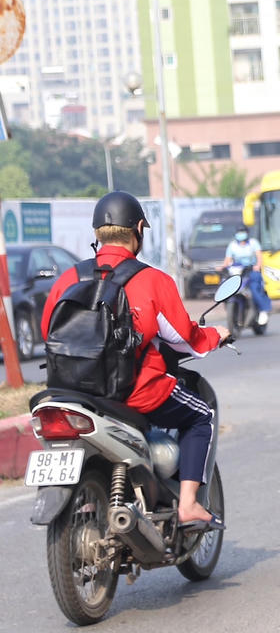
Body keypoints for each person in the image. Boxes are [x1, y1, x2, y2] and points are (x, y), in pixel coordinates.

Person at [40, 191, 230, 530]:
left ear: (97, 230)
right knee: (202, 414)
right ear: (139, 229)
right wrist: (217, 334)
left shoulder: (68, 278)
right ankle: (187, 505)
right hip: (132, 392)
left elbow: (48, 331)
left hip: (70, 392)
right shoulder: (153, 280)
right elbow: (185, 339)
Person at [222, 224, 271, 326]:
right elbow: (227, 260)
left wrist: (257, 265)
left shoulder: (253, 243)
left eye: (242, 232)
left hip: (251, 270)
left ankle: (263, 310)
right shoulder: (232, 245)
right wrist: (222, 267)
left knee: (254, 288)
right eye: (239, 232)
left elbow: (259, 256)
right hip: (238, 271)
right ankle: (233, 310)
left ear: (247, 233)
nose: (241, 234)